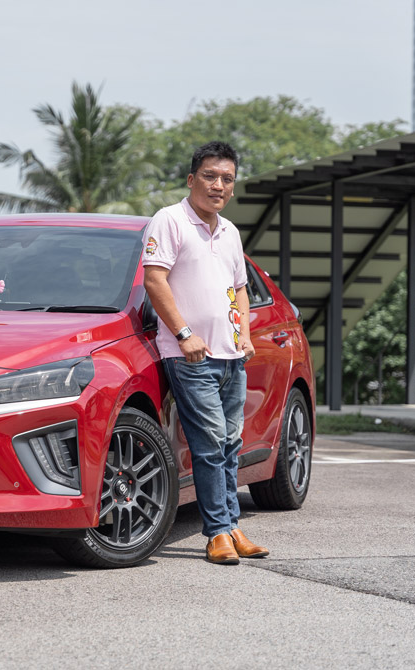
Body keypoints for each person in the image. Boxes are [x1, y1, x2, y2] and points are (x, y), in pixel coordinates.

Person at [142, 141, 269, 565]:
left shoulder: (229, 231)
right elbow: (155, 280)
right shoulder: (170, 220)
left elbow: (239, 288)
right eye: (211, 176)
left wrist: (245, 334)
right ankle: (216, 533)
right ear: (192, 178)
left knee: (230, 442)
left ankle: (232, 527)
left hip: (232, 355)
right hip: (190, 355)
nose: (218, 185)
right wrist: (183, 334)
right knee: (211, 442)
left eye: (227, 179)